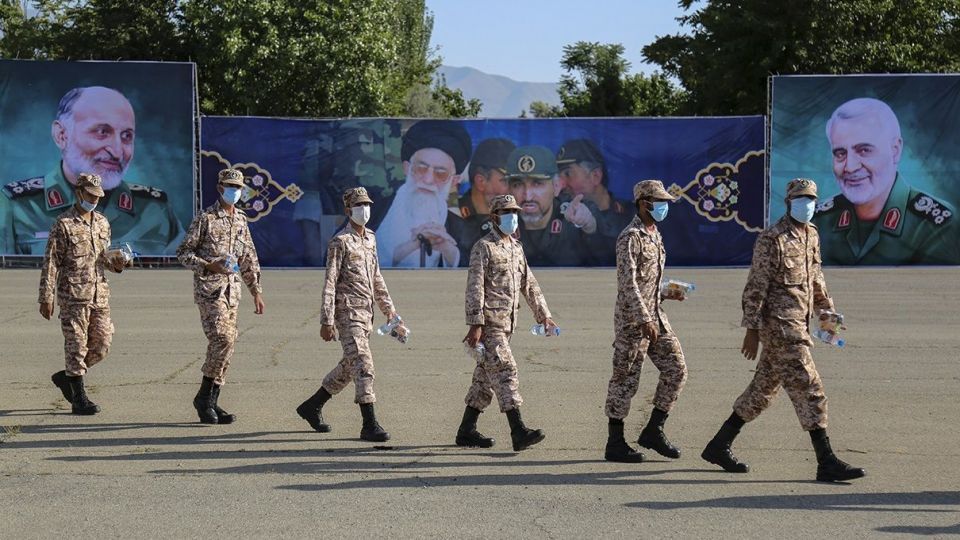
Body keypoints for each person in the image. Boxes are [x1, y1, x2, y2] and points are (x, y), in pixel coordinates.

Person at [701, 178, 866, 482]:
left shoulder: (811, 235)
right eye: (801, 198)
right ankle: (825, 460)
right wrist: (751, 329)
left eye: (811, 198)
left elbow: (816, 278)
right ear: (789, 202)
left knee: (762, 390)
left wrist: (827, 316)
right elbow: (756, 286)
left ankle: (718, 445)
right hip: (780, 327)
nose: (807, 204)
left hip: (800, 322)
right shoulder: (772, 238)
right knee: (809, 387)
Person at [1, 86, 185, 256]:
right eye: (102, 132)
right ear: (61, 135)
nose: (117, 151)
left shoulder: (154, 210)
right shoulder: (18, 207)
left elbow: (178, 279)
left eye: (127, 136)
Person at [297, 187, 404, 442]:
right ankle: (369, 424)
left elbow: (377, 278)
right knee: (364, 365)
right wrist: (327, 320)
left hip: (366, 315)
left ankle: (311, 406)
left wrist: (391, 313)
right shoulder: (340, 242)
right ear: (347, 211)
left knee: (349, 366)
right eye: (358, 206)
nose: (364, 210)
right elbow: (330, 282)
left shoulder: (371, 239)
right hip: (347, 314)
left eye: (367, 205)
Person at [457, 194, 558, 451]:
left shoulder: (515, 247)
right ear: (494, 217)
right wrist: (476, 323)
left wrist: (543, 314)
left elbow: (529, 284)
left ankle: (466, 430)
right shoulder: (484, 247)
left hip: (508, 324)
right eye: (506, 212)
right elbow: (475, 287)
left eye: (514, 212)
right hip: (490, 324)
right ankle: (518, 430)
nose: (512, 217)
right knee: (505, 370)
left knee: (484, 379)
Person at [814, 97, 959, 264]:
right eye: (840, 153)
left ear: (895, 151)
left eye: (864, 150)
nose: (850, 167)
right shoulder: (818, 221)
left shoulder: (935, 226)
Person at [604, 180, 688, 463]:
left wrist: (667, 292)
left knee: (677, 370)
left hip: (655, 317)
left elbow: (647, 281)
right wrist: (642, 318)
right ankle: (615, 442)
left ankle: (654, 429)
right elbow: (628, 284)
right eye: (658, 200)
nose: (663, 206)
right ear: (643, 203)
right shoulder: (630, 237)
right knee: (625, 378)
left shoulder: (654, 234)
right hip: (633, 321)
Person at [177, 169, 265, 425]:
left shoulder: (240, 220)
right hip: (210, 291)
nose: (234, 191)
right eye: (229, 186)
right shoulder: (205, 218)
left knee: (229, 344)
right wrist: (207, 265)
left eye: (238, 187)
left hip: (232, 292)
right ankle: (204, 396)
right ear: (219, 187)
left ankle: (212, 399)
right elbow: (183, 253)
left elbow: (249, 257)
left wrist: (256, 291)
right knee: (222, 339)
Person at [39, 173, 129, 415]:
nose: (94, 199)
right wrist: (46, 296)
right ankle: (79, 398)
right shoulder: (63, 224)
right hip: (73, 296)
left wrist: (117, 263)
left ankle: (68, 376)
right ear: (79, 193)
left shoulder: (102, 222)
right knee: (76, 345)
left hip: (99, 294)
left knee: (102, 344)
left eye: (98, 196)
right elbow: (51, 262)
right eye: (90, 195)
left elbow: (104, 259)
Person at [375, 120, 472, 267]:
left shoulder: (460, 229)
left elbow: (475, 273)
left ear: (454, 181)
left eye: (440, 173)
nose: (428, 180)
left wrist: (448, 250)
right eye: (421, 168)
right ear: (407, 168)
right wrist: (408, 247)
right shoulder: (372, 212)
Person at [506, 145, 600, 266]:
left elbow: (607, 256)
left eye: (537, 184)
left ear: (556, 187)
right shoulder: (500, 225)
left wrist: (589, 225)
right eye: (518, 185)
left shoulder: (574, 212)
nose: (528, 196)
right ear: (508, 190)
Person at [556, 139, 633, 265]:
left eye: (568, 174)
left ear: (595, 176)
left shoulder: (630, 215)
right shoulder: (560, 219)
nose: (561, 184)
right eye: (558, 177)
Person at [445, 138, 515, 266]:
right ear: (481, 182)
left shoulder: (517, 216)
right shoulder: (451, 217)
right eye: (506, 181)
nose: (514, 189)